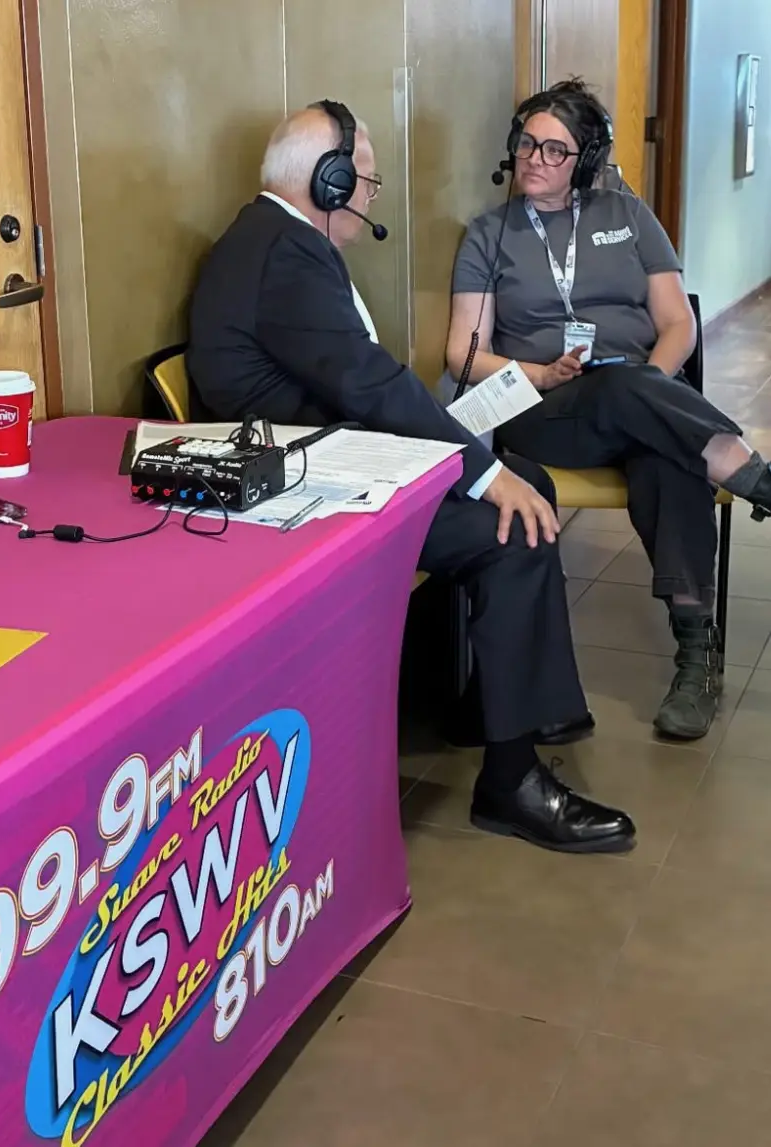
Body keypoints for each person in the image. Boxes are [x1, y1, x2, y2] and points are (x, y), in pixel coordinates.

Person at [187, 99, 636, 854]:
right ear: (329, 182)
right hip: (304, 486)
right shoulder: (283, 253)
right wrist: (478, 470)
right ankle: (512, 783)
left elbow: (358, 383)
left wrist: (485, 467)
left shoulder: (273, 238)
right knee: (513, 528)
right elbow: (369, 383)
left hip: (324, 454)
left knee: (527, 480)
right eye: (364, 181)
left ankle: (497, 703)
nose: (367, 198)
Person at [447, 79, 771, 742]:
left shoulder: (629, 215)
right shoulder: (489, 234)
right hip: (545, 410)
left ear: (586, 160)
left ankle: (694, 658)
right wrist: (541, 372)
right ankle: (753, 476)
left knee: (664, 449)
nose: (534, 158)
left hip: (634, 396)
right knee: (639, 404)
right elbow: (462, 354)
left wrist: (648, 389)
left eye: (554, 149)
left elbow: (677, 324)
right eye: (526, 143)